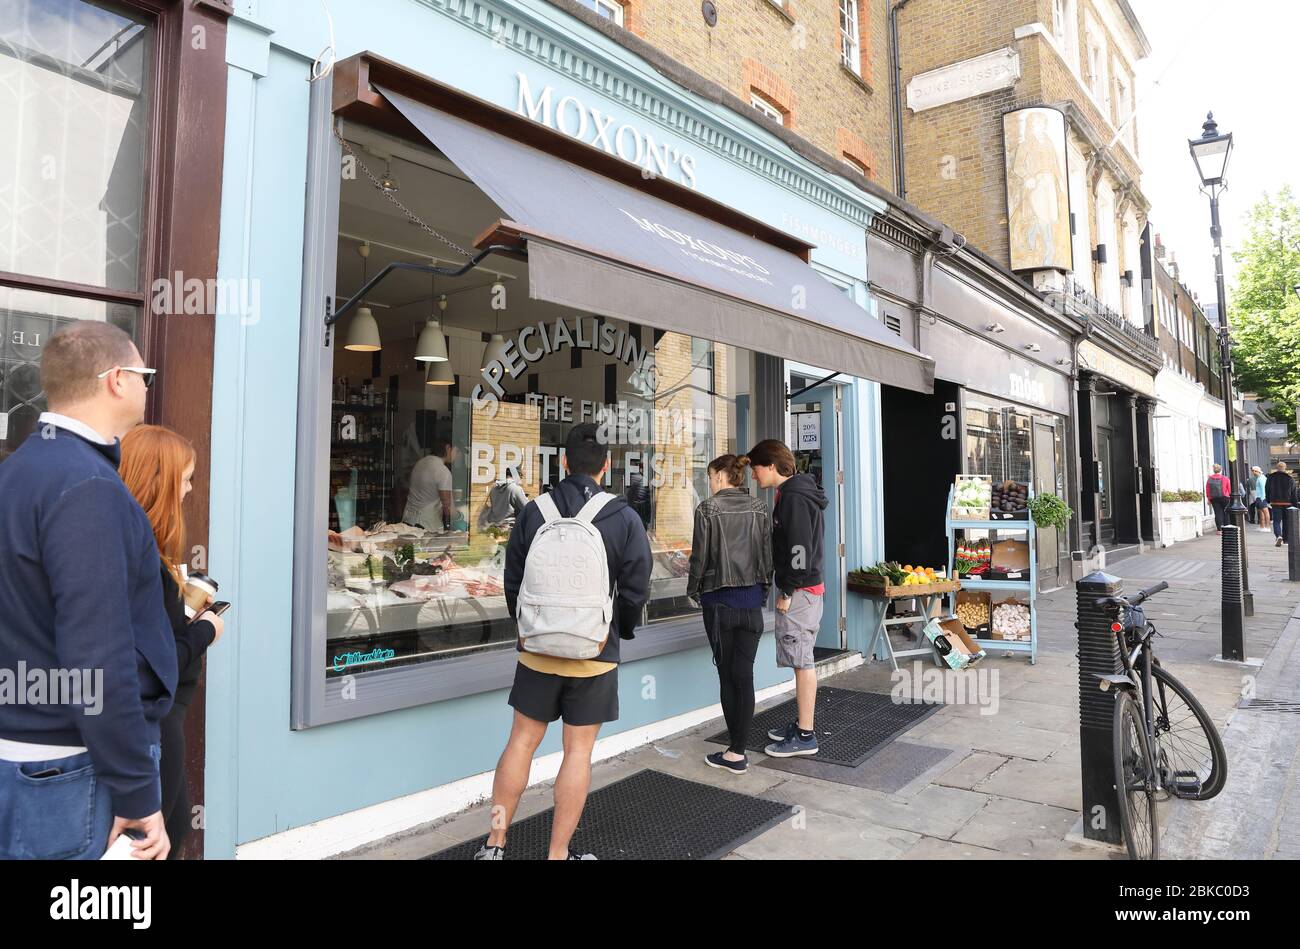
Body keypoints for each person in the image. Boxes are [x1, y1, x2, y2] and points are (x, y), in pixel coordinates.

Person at [0, 322, 176, 860]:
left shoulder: (18, 472)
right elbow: (97, 653)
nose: (149, 385)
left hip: (29, 755)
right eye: (144, 374)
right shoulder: (87, 486)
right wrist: (138, 790)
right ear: (117, 380)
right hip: (72, 767)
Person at [476, 423, 651, 860]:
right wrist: (620, 631)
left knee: (520, 743)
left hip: (536, 652)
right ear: (607, 467)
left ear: (564, 463)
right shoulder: (623, 516)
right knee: (577, 752)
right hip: (593, 653)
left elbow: (512, 579)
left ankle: (495, 844)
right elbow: (635, 590)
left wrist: (528, 627)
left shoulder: (535, 511)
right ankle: (557, 854)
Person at [120, 425, 225, 859]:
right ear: (159, 481)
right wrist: (206, 630)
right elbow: (154, 664)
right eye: (184, 479)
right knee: (159, 839)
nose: (187, 491)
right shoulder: (140, 558)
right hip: (153, 726)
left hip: (158, 722)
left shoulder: (131, 547)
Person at [687, 454, 773, 775]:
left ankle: (736, 752)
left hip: (719, 606)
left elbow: (699, 560)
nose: (710, 482)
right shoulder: (761, 509)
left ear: (722, 476)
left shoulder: (707, 509)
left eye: (711, 476)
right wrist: (759, 594)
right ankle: (738, 749)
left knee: (727, 677)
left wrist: (693, 592)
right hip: (751, 606)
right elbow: (767, 561)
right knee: (745, 677)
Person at [748, 438, 828, 758]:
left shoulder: (794, 497)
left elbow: (798, 549)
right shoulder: (795, 491)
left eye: (755, 469)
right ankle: (801, 725)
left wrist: (787, 590)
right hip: (807, 588)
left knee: (802, 661)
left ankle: (806, 736)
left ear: (770, 466)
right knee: (800, 659)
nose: (754, 476)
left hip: (801, 591)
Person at [403, 439, 457, 531]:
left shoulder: (420, 463)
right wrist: (460, 516)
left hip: (408, 519)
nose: (457, 454)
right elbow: (447, 507)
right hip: (426, 525)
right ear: (448, 448)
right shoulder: (442, 471)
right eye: (457, 450)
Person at [1265, 461, 1298, 548]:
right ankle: (1286, 539)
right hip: (1287, 503)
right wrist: (1295, 504)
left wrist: (1268, 500)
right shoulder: (1289, 478)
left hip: (1275, 502)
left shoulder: (1271, 477)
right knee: (1286, 521)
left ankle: (1278, 536)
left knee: (1276, 521)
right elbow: (1294, 492)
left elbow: (1267, 489)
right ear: (1285, 468)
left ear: (1276, 468)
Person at [1205, 464, 1231, 533]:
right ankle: (1227, 528)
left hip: (1214, 498)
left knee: (1217, 513)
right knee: (1226, 512)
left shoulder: (1209, 479)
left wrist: (1208, 498)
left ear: (1213, 470)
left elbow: (1207, 489)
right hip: (1225, 497)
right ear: (1221, 470)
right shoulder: (1225, 478)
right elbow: (1229, 489)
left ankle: (1219, 530)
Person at [1253, 466, 1271, 532]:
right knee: (1261, 512)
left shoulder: (1261, 478)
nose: (1253, 472)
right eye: (1253, 471)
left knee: (1265, 512)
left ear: (1258, 471)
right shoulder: (1259, 478)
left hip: (1261, 497)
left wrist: (1263, 498)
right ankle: (1262, 526)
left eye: (1254, 471)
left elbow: (1264, 488)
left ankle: (1268, 527)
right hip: (1259, 497)